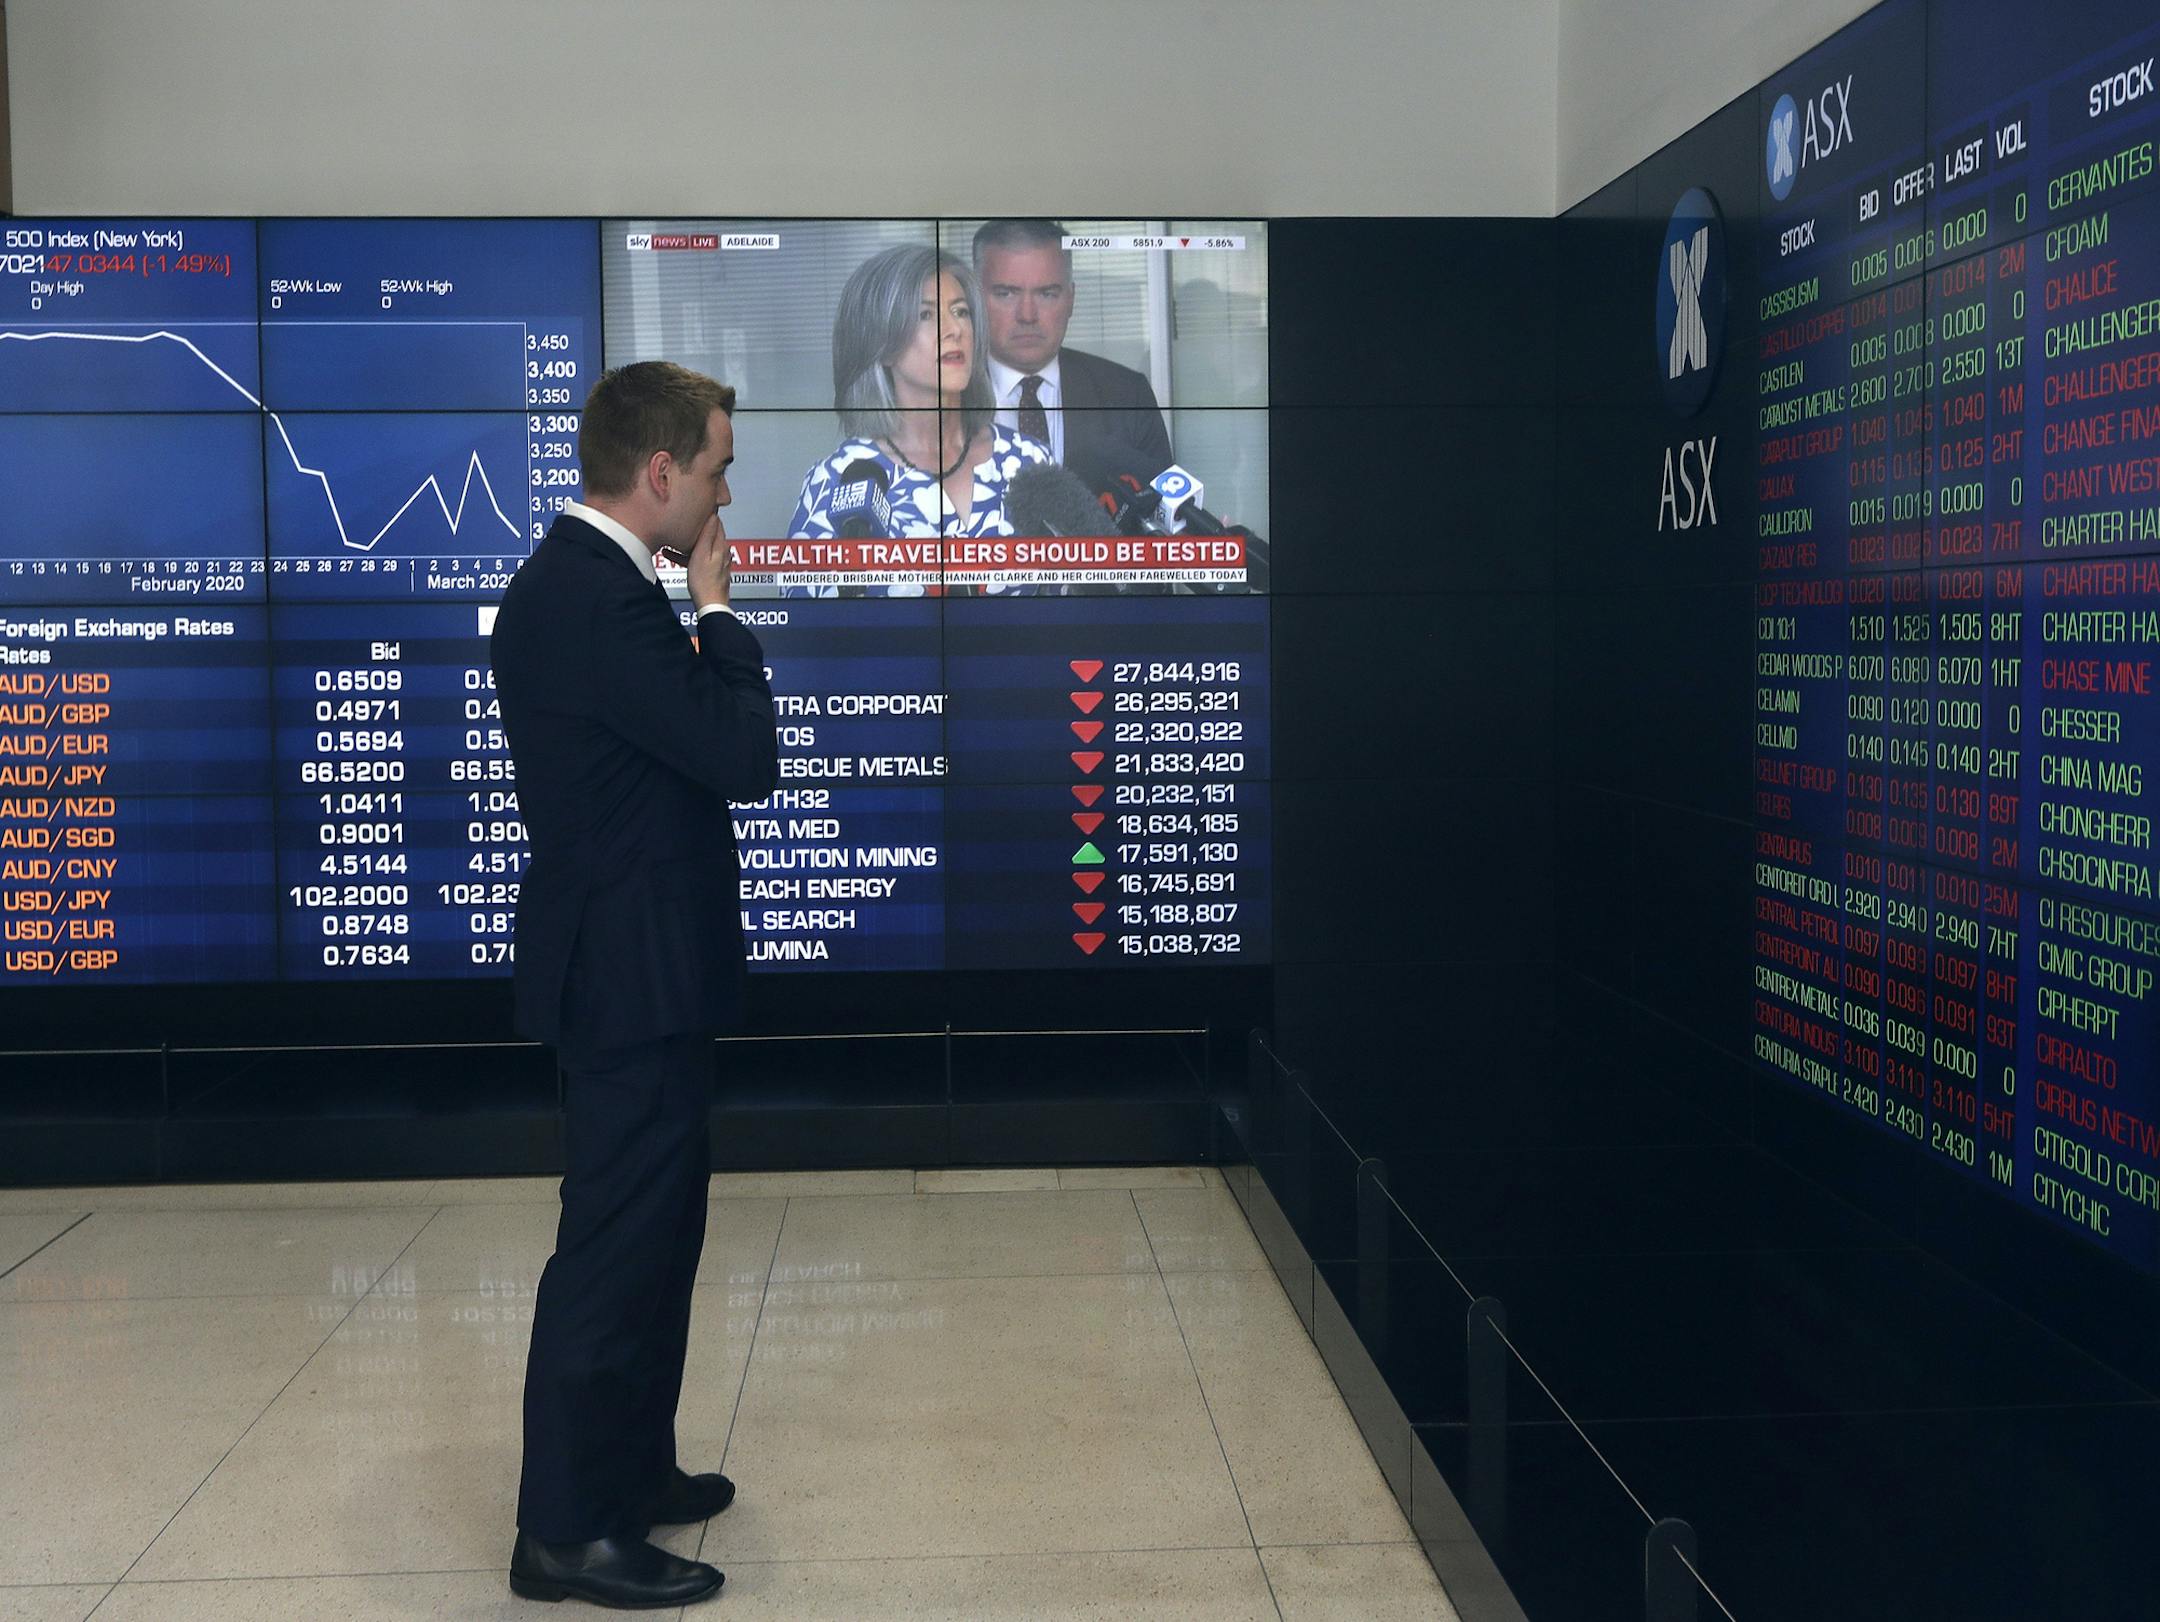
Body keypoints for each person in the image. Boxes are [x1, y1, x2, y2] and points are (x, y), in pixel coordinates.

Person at [489, 360, 779, 1610]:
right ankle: (565, 1530)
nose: (725, 495)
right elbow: (741, 754)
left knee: (660, 1239)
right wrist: (717, 612)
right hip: (626, 974)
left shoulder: (594, 585)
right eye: (717, 468)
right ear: (660, 471)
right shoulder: (598, 598)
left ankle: (631, 1469)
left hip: (645, 967)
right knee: (614, 1253)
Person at [787, 244, 1051, 594]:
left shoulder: (1030, 461)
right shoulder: (837, 479)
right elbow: (808, 620)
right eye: (926, 315)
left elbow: (1074, 604)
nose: (954, 329)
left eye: (961, 311)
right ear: (882, 344)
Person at [972, 218, 1173, 492]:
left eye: (1047, 294)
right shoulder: (941, 397)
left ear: (1071, 299)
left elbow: (1165, 510)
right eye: (1006, 294)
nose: (1027, 315)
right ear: (974, 298)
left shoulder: (1127, 394)